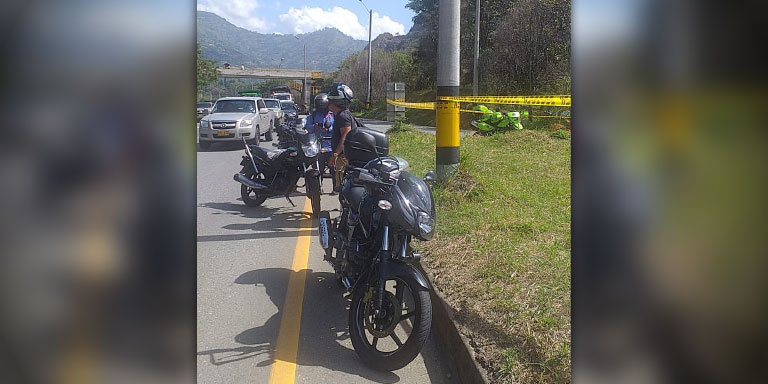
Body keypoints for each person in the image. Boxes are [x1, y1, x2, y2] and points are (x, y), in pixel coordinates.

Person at [327, 83, 356, 194]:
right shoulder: (344, 114)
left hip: (344, 156)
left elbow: (345, 135)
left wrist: (335, 155)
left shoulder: (342, 116)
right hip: (345, 154)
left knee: (342, 185)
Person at [305, 93, 335, 188]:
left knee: (333, 168)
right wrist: (315, 126)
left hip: (330, 145)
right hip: (317, 146)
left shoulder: (333, 115)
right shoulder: (313, 115)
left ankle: (336, 188)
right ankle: (318, 187)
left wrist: (329, 129)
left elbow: (339, 127)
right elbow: (307, 126)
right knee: (318, 168)